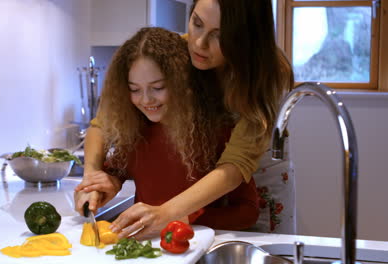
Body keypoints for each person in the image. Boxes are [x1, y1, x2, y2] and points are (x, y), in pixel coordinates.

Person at [75, 0, 294, 239]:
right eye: (197, 24)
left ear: (245, 38)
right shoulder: (176, 53)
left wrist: (168, 213)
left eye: (219, 35)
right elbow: (104, 123)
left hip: (256, 170)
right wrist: (92, 177)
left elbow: (236, 165)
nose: (199, 43)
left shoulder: (267, 74)